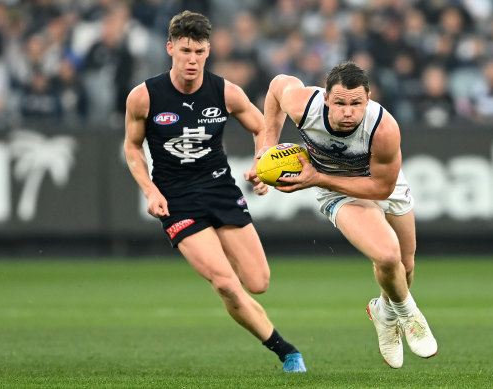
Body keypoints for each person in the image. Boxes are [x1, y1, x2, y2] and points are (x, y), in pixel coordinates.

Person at [123, 10, 306, 373]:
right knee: (225, 283)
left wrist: (261, 165)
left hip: (220, 189)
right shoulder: (144, 96)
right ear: (170, 48)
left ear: (209, 51)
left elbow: (261, 128)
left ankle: (229, 279)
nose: (193, 60)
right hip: (177, 200)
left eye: (200, 52)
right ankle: (286, 351)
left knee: (258, 282)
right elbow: (132, 147)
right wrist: (150, 191)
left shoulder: (226, 92)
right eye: (186, 51)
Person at [259, 61, 437, 369]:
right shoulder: (304, 105)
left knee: (405, 266)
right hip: (337, 192)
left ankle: (384, 312)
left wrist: (317, 178)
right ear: (326, 98)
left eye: (356, 103)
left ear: (368, 99)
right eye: (339, 103)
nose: (347, 112)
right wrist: (265, 147)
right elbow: (277, 87)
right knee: (386, 254)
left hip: (381, 184)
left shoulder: (383, 128)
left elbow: (381, 187)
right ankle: (410, 315)